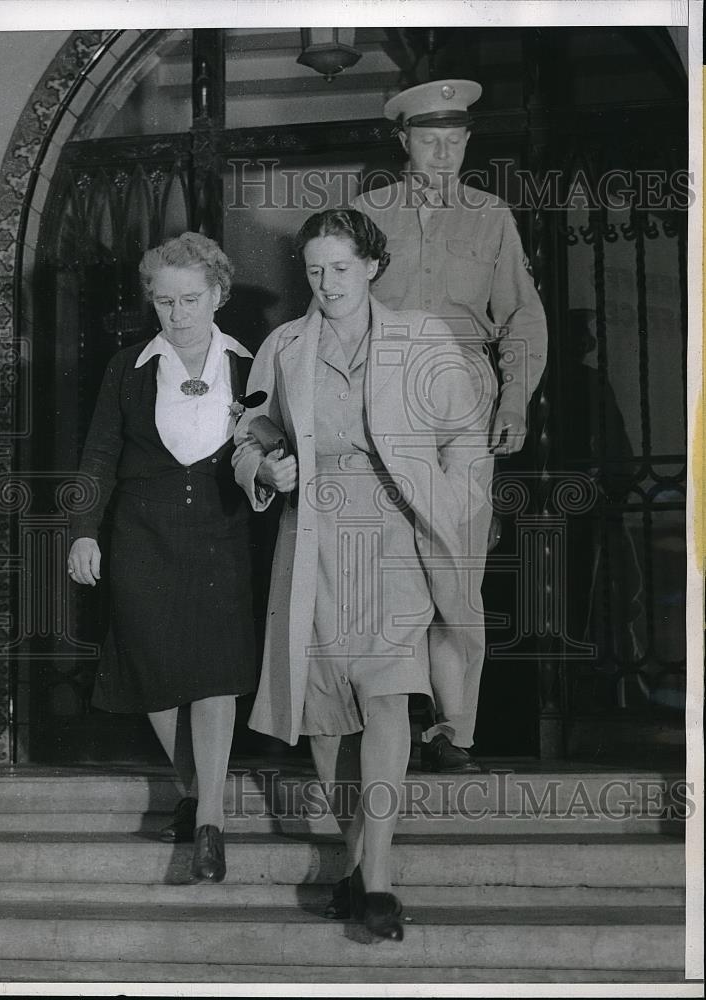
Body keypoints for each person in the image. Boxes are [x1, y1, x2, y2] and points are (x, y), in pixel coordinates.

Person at [233, 209, 493, 941]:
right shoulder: (284, 346)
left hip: (395, 536)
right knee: (326, 717)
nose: (327, 282)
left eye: (341, 268)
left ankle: (377, 876)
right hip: (313, 536)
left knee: (387, 699)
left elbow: (466, 440)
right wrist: (265, 467)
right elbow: (248, 434)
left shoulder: (422, 338)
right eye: (314, 269)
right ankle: (353, 862)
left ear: (372, 266)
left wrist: (452, 508)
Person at [352, 79, 549, 772]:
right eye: (428, 139)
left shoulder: (491, 217)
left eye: (455, 139)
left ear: (467, 141)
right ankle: (385, 716)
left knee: (456, 571)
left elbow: (522, 316)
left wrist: (516, 399)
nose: (443, 151)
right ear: (403, 141)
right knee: (380, 562)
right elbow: (337, 314)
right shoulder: (365, 213)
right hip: (383, 394)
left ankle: (453, 729)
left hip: (463, 393)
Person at [68, 232, 257, 884]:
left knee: (212, 675)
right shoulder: (128, 367)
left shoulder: (252, 362)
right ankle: (194, 790)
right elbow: (97, 456)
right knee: (152, 673)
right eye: (164, 301)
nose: (177, 314)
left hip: (219, 537)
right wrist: (84, 531)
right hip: (140, 536)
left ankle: (210, 820)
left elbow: (270, 444)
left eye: (190, 299)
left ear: (218, 294)